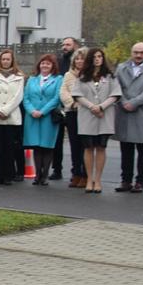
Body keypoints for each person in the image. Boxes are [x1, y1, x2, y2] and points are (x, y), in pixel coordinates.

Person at [114, 41, 143, 193]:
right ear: (131, 52)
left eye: (142, 52)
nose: (139, 55)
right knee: (126, 149)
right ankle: (125, 180)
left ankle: (140, 181)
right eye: (136, 52)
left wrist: (134, 102)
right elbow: (116, 87)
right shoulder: (121, 67)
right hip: (124, 111)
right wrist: (124, 102)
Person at [71, 48, 119, 194]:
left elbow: (115, 94)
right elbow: (77, 94)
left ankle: (98, 179)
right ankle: (89, 179)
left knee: (101, 147)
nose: (97, 59)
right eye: (94, 57)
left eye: (100, 56)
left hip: (104, 115)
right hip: (87, 114)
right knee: (88, 147)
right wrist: (92, 106)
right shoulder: (83, 76)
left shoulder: (110, 76)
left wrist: (101, 107)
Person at [0, 49, 26, 186]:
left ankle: (9, 175)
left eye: (8, 59)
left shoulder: (19, 76)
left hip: (11, 115)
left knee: (9, 146)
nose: (5, 61)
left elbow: (18, 96)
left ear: (12, 61)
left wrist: (6, 110)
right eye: (3, 59)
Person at [22, 54, 63, 186]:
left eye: (48, 64)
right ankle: (37, 175)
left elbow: (56, 98)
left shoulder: (58, 79)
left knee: (47, 146)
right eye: (43, 63)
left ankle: (44, 175)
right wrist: (32, 110)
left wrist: (43, 111)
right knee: (36, 146)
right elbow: (26, 97)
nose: (45, 66)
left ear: (53, 66)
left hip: (48, 116)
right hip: (32, 116)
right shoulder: (32, 79)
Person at [58, 49, 89, 187]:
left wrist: (82, 103)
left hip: (87, 113)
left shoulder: (90, 75)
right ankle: (76, 172)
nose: (79, 61)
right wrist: (72, 103)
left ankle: (85, 174)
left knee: (86, 145)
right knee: (74, 145)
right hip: (72, 112)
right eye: (77, 59)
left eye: (82, 59)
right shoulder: (68, 75)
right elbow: (63, 92)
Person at [50, 37, 80, 178]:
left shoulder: (80, 63)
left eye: (68, 45)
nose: (65, 47)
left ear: (75, 46)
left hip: (77, 107)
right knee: (57, 139)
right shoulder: (58, 61)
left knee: (77, 141)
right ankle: (57, 169)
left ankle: (77, 171)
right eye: (63, 45)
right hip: (59, 105)